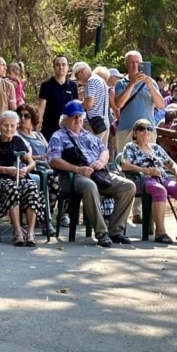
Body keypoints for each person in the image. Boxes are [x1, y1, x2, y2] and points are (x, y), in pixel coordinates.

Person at [48, 101, 135, 247]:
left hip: (98, 173)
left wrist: (101, 161)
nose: (78, 119)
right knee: (89, 186)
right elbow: (54, 160)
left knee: (128, 186)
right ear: (65, 119)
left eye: (80, 116)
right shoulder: (58, 136)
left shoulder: (88, 135)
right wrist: (78, 169)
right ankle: (102, 233)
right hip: (73, 177)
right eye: (74, 116)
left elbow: (105, 150)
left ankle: (116, 231)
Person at [120, 118, 177, 243]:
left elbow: (170, 164)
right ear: (134, 133)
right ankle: (160, 232)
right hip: (141, 179)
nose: (146, 131)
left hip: (161, 178)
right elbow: (125, 165)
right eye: (141, 129)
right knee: (159, 190)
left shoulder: (156, 148)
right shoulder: (130, 147)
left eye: (149, 128)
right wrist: (146, 171)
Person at [0, 111, 44, 247]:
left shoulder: (18, 141)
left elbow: (31, 162)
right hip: (2, 180)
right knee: (12, 187)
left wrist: (26, 169)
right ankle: (17, 233)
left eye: (12, 126)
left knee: (32, 187)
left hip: (19, 176)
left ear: (16, 127)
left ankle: (30, 233)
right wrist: (6, 170)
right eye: (5, 125)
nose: (9, 129)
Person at [114, 51, 165, 152]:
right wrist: (132, 84)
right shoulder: (121, 83)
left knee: (147, 162)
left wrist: (150, 86)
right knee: (125, 162)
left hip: (147, 131)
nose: (135, 65)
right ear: (126, 65)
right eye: (131, 62)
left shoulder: (151, 82)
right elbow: (119, 104)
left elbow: (160, 105)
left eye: (138, 62)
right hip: (126, 130)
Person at [37, 56, 80, 142]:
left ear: (68, 67)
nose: (61, 67)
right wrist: (36, 125)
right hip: (50, 129)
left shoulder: (73, 86)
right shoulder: (46, 85)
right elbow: (41, 108)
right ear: (53, 67)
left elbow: (76, 108)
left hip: (68, 129)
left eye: (63, 65)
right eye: (58, 65)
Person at [71, 62, 110, 146]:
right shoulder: (100, 80)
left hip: (94, 123)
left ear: (81, 71)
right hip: (104, 123)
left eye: (77, 76)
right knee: (102, 152)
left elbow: (89, 104)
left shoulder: (91, 81)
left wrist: (76, 106)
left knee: (92, 153)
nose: (78, 80)